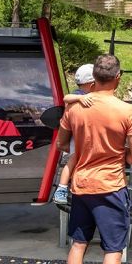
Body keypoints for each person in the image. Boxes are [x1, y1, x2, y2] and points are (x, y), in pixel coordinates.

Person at [55, 54, 132, 264]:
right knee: (113, 252)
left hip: (81, 187)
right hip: (110, 188)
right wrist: (121, 154)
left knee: (78, 245)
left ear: (94, 78)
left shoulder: (76, 109)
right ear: (118, 78)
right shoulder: (127, 111)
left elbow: (61, 145)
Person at [54, 63, 96, 204]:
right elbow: (66, 98)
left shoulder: (91, 94)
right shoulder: (79, 95)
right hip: (77, 136)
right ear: (91, 83)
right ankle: (61, 187)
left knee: (78, 162)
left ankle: (70, 185)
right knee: (73, 160)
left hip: (84, 135)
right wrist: (80, 98)